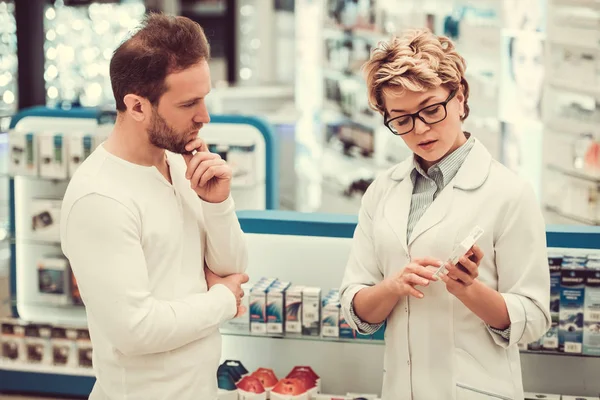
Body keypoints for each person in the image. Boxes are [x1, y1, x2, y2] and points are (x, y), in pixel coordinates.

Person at [339, 28, 551, 400]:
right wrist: (392, 286)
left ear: (460, 96)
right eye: (401, 119)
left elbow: (533, 318)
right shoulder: (382, 191)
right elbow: (355, 307)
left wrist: (470, 291)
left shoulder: (510, 193)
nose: (420, 129)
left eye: (431, 109)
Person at [60, 13, 249, 400]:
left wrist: (218, 205)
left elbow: (233, 269)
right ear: (137, 106)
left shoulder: (181, 163)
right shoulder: (100, 198)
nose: (205, 116)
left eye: (204, 98)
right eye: (188, 103)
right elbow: (136, 330)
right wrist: (222, 300)